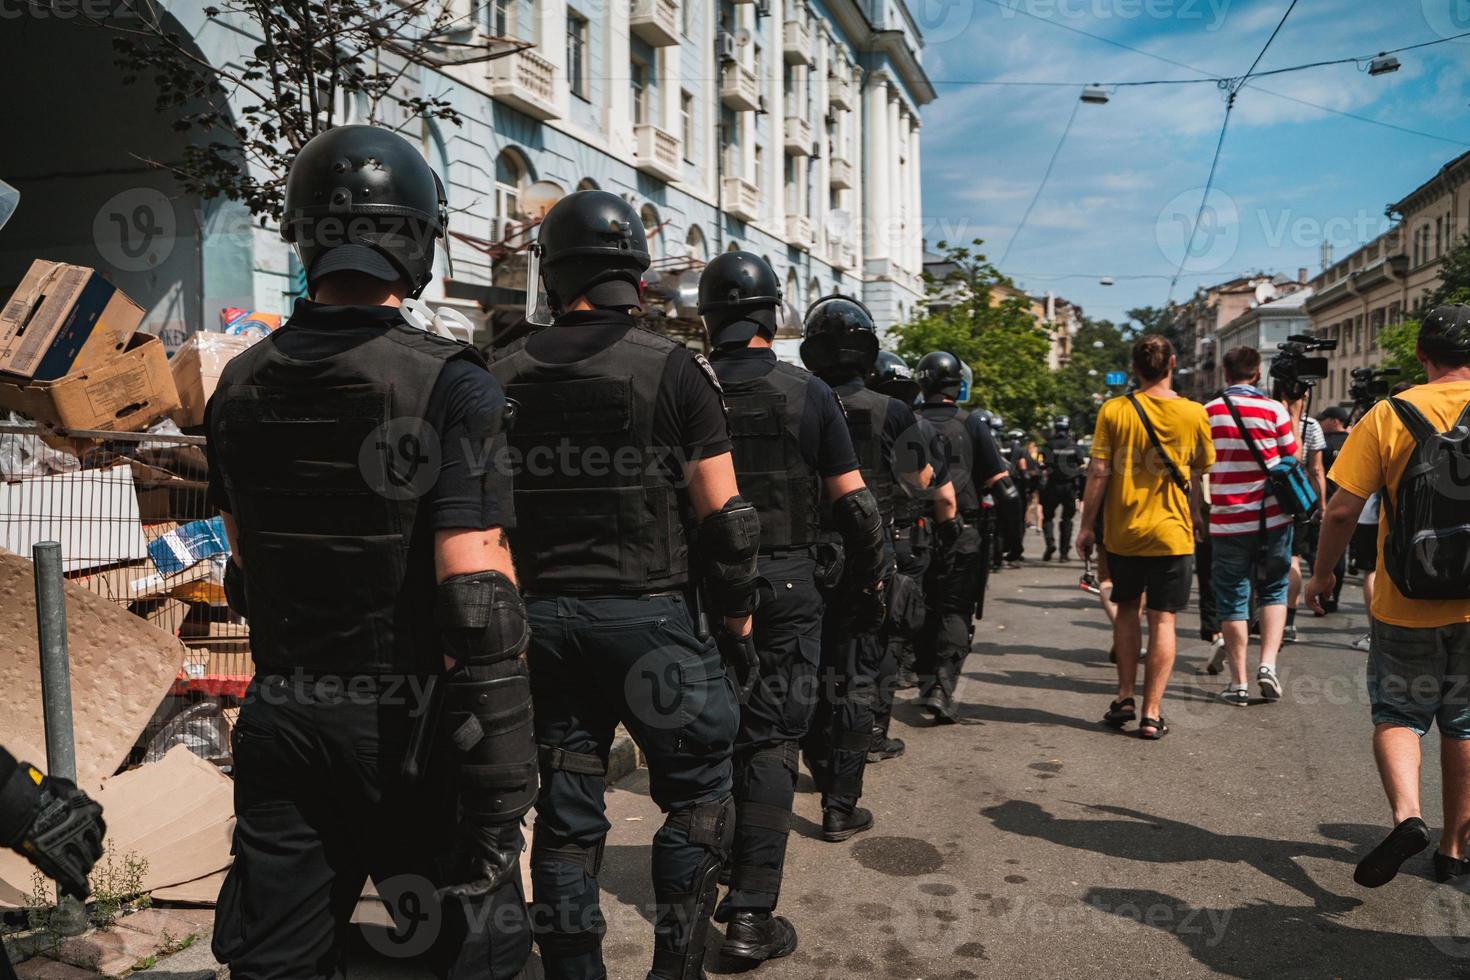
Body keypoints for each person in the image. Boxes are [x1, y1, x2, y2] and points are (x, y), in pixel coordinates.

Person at [208, 125, 537, 979]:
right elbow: (477, 600)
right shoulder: (453, 381)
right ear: (419, 237)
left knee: (276, 956)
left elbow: (242, 567)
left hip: (284, 712)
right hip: (407, 727)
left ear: (305, 234)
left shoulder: (238, 382)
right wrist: (502, 784)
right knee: (474, 953)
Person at [489, 191, 755, 980]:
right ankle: (674, 967)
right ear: (635, 275)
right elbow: (727, 520)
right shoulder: (673, 369)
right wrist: (737, 628)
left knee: (566, 819)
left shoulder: (498, 370)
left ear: (552, 272)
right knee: (699, 799)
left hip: (542, 628)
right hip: (651, 625)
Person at [696, 253, 886, 963]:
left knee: (705, 739)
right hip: (786, 587)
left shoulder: (686, 385)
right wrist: (870, 584)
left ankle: (699, 879)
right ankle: (750, 913)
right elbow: (856, 505)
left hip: (699, 588)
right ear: (773, 316)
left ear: (708, 315)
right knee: (771, 738)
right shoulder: (807, 393)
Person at [1305, 304, 1470, 888]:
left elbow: (1344, 508)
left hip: (1405, 597)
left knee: (1400, 713)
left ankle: (1408, 817)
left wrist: (1323, 576)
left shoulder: (1389, 413)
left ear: (1423, 355)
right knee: (1465, 722)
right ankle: (1452, 848)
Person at [799, 297, 931, 841]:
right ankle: (839, 804)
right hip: (867, 558)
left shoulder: (796, 398)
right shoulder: (893, 410)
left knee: (804, 675)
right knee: (854, 676)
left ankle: (822, 771)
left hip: (801, 558)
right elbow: (918, 481)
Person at [1076, 336, 1214, 739]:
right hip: (1173, 535)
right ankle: (1152, 713)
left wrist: (1086, 526)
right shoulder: (1193, 413)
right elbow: (1201, 468)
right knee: (1164, 619)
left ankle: (1124, 697)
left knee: (1126, 610)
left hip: (1124, 534)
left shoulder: (1114, 410)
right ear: (1173, 362)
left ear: (1134, 367)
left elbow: (1099, 471)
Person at [913, 351, 1013, 722]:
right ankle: (941, 685)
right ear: (958, 383)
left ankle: (925, 681)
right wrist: (1013, 537)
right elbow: (1002, 486)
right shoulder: (972, 424)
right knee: (955, 609)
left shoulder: (908, 420)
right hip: (963, 530)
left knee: (923, 606)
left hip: (916, 531)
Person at [867, 351, 958, 748]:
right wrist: (949, 530)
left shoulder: (838, 412)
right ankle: (873, 730)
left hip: (851, 537)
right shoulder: (916, 428)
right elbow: (938, 492)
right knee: (892, 632)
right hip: (904, 538)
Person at [1204, 346, 1303, 706]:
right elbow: (1292, 458)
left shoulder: (1209, 413)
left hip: (1228, 521)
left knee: (1232, 596)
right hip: (1273, 517)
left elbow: (1199, 464)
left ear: (1224, 374)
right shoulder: (1274, 410)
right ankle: (1268, 665)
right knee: (1274, 587)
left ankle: (1239, 682)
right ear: (1257, 374)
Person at [1282, 400, 1329, 643]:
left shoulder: (1267, 414)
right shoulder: (1311, 425)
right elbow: (1317, 469)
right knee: (1293, 559)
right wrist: (1321, 505)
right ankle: (1288, 623)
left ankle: (1257, 615)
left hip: (1264, 498)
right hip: (1297, 498)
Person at [1317, 405, 1352, 613]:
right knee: (1343, 554)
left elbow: (1316, 471)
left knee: (1324, 549)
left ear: (1335, 420)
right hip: (1354, 502)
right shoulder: (1353, 440)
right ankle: (1334, 598)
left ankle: (1323, 594)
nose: (1321, 424)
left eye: (1325, 419)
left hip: (1328, 500)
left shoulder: (1324, 443)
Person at [1040, 417, 1084, 561]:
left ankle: (1050, 543)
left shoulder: (1048, 445)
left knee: (1048, 517)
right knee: (1067, 519)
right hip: (1069, 487)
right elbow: (1082, 466)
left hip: (1052, 486)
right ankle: (1064, 553)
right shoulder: (1074, 446)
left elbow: (1042, 465)